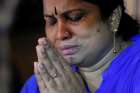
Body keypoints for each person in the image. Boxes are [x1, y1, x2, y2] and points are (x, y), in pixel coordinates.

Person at [21, 0, 140, 93]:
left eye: (75, 17)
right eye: (51, 21)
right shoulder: (43, 83)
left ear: (113, 17)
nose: (60, 34)